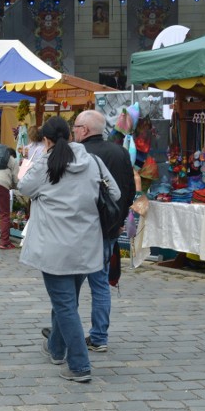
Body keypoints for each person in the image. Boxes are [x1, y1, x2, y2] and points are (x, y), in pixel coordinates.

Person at [18, 116, 120, 383]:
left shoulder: (47, 163)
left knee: (64, 305)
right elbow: (116, 194)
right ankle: (55, 348)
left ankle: (79, 365)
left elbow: (23, 187)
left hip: (54, 247)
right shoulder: (92, 162)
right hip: (86, 245)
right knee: (67, 302)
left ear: (47, 140)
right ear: (71, 135)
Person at [72, 110, 136, 351]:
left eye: (76, 127)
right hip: (109, 229)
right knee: (100, 284)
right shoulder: (120, 152)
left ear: (85, 130)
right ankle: (99, 337)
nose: (74, 131)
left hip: (81, 230)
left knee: (71, 287)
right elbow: (129, 190)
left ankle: (66, 334)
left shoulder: (79, 154)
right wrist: (119, 218)